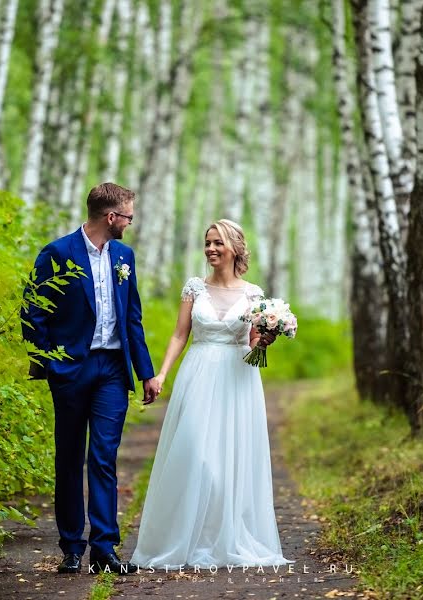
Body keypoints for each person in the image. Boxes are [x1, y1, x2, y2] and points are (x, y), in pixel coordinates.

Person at [130, 219, 292, 568]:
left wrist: (265, 339)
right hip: (198, 373)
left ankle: (223, 537)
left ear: (235, 247)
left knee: (228, 456)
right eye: (207, 243)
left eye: (218, 242)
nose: (211, 249)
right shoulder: (194, 288)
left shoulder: (253, 294)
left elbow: (252, 343)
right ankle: (186, 537)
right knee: (195, 452)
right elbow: (179, 335)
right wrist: (161, 374)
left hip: (237, 379)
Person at [21, 182, 160, 575]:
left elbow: (132, 316)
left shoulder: (124, 256)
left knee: (103, 456)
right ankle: (70, 547)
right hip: (70, 369)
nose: (131, 223)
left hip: (113, 370)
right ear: (111, 217)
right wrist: (49, 362)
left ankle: (104, 549)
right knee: (68, 458)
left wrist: (144, 372)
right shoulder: (57, 252)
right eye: (129, 216)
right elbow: (32, 312)